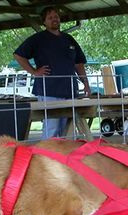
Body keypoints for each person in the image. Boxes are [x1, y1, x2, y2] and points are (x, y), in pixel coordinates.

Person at [13, 6, 90, 138]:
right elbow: (18, 55)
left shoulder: (69, 39)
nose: (54, 19)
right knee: (52, 128)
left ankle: (65, 157)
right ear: (44, 22)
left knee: (69, 129)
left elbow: (79, 64)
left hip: (70, 90)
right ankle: (46, 156)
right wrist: (34, 72)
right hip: (49, 90)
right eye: (50, 17)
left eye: (56, 17)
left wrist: (86, 83)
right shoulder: (38, 39)